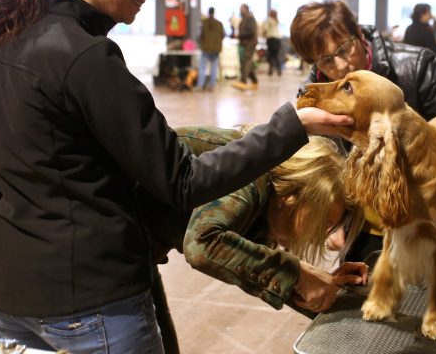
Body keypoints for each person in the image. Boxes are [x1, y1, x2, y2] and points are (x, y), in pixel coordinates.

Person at [0, 0, 352, 353]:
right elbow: (183, 180)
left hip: (9, 300)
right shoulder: (87, 57)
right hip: (90, 304)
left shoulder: (1, 45)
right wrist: (293, 126)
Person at [289, 0, 436, 262]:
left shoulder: (416, 65)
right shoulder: (313, 96)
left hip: (433, 221)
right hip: (367, 228)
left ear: (358, 34)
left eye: (344, 49)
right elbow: (315, 166)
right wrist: (328, 218)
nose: (340, 66)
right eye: (326, 60)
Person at [143, 129, 368, 352]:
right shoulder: (252, 174)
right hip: (114, 256)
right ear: (292, 198)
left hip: (136, 255)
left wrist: (327, 292)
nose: (326, 235)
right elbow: (202, 245)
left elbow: (251, 264)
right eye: (324, 219)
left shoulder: (268, 200)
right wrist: (298, 273)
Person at [196, 6, 225, 91]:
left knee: (202, 67)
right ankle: (212, 86)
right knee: (214, 68)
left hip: (205, 48)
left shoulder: (203, 23)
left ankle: (200, 86)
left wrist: (203, 42)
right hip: (215, 49)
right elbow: (223, 35)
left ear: (208, 12)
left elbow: (199, 36)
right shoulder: (219, 23)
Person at [231, 3, 259, 90]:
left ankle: (243, 81)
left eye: (241, 9)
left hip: (250, 43)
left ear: (246, 9)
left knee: (246, 61)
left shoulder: (250, 18)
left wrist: (239, 35)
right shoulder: (244, 19)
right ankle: (254, 81)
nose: (240, 11)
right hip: (244, 43)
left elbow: (251, 31)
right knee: (247, 63)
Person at [263, 9, 282, 76]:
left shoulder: (268, 20)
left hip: (271, 39)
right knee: (276, 55)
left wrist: (263, 35)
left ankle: (270, 71)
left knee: (270, 55)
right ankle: (279, 70)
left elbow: (265, 29)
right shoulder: (276, 21)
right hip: (278, 39)